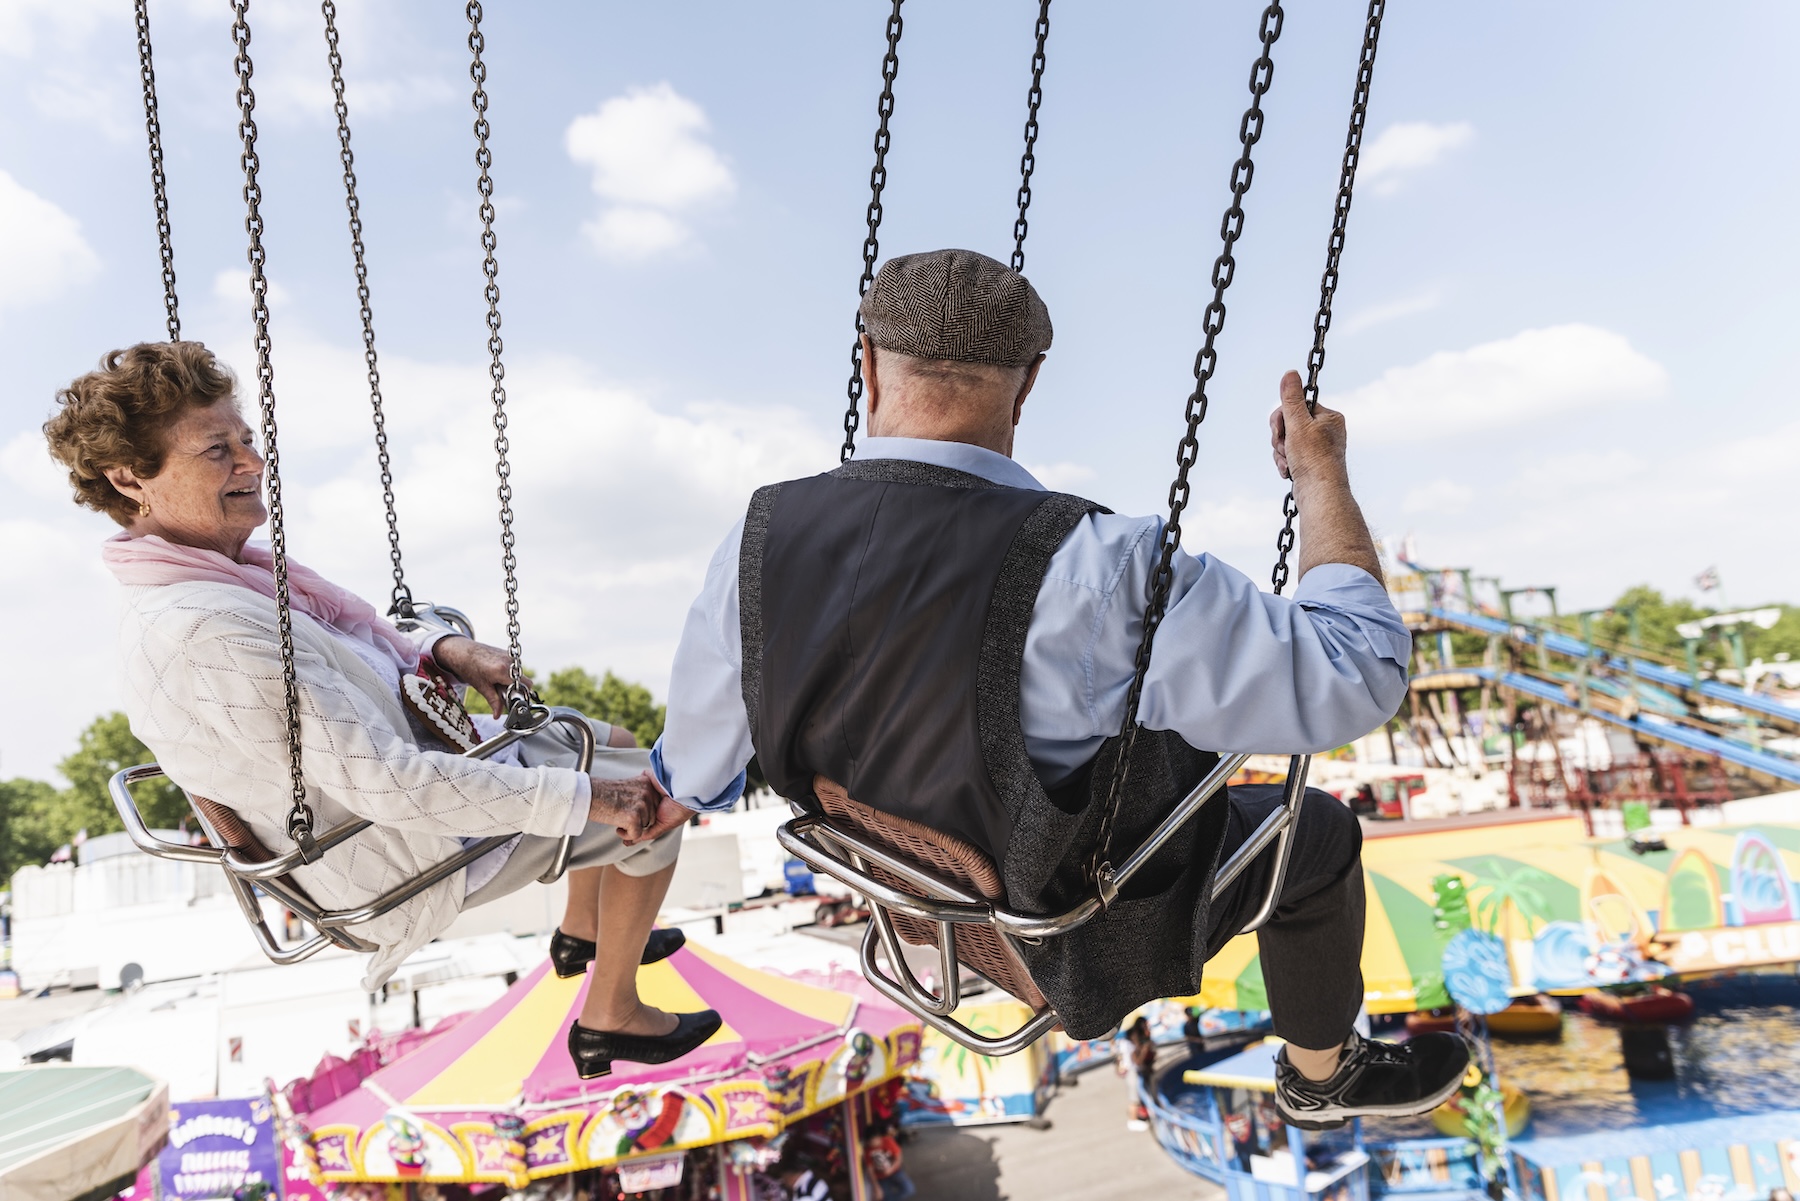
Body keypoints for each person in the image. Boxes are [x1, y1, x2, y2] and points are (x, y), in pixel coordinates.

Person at [640, 248, 1469, 1128]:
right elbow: (1359, 670)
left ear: (867, 359)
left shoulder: (756, 539)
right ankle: (1322, 1073)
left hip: (915, 907)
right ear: (1028, 383)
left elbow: (689, 769)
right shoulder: (1097, 566)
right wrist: (1320, 475)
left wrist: (642, 804)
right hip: (1065, 931)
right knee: (1321, 832)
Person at [43, 342, 719, 1079]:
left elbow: (359, 649)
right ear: (128, 478)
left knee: (616, 739)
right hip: (401, 852)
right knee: (658, 803)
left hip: (407, 794)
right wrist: (593, 798)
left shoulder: (229, 576)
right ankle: (609, 1014)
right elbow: (392, 785)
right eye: (218, 450)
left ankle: (587, 932)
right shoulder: (208, 630)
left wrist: (441, 653)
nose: (251, 462)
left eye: (247, 440)